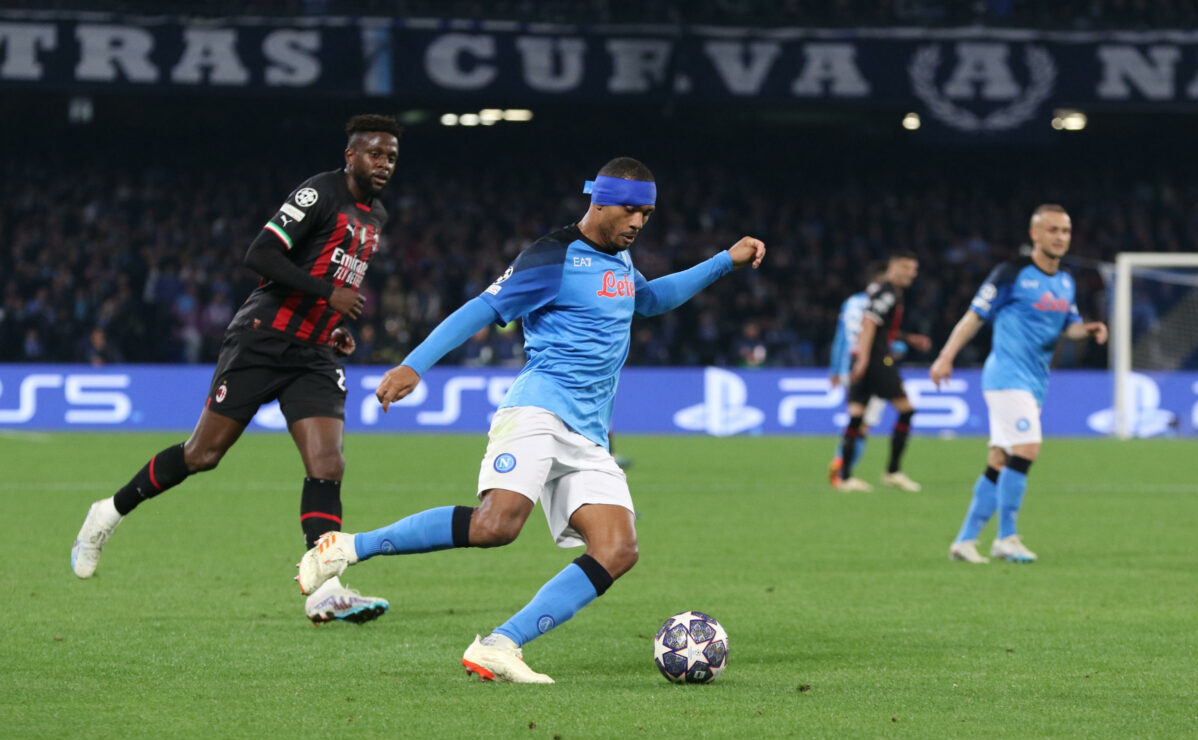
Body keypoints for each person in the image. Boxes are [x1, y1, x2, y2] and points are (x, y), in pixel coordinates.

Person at [295, 157, 765, 683]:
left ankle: (500, 644)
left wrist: (724, 261)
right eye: (630, 211)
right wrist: (414, 365)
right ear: (600, 202)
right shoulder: (552, 256)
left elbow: (650, 300)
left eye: (647, 215)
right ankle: (346, 547)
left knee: (618, 549)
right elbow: (481, 309)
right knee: (495, 526)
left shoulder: (620, 259)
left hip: (588, 434)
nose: (638, 223)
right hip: (539, 411)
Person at [71, 114, 402, 624]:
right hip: (263, 339)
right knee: (203, 454)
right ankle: (106, 513)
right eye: (375, 154)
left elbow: (331, 273)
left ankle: (326, 588)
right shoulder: (319, 193)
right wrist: (327, 294)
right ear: (350, 155)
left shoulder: (376, 215)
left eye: (391, 157)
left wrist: (332, 322)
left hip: (314, 353)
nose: (384, 164)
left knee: (327, 464)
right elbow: (261, 254)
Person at [930, 204, 1107, 564]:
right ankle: (1006, 538)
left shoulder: (1065, 281)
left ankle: (964, 541)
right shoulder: (1011, 273)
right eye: (1053, 230)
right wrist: (945, 356)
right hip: (1006, 377)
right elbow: (974, 316)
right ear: (1034, 234)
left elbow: (1068, 327)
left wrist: (1087, 329)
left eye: (1065, 231)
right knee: (1027, 448)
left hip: (1035, 380)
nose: (1060, 237)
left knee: (1000, 458)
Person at [835, 251, 931, 492]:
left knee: (856, 416)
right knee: (906, 410)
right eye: (907, 268)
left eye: (914, 269)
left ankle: (845, 478)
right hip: (876, 360)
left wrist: (908, 338)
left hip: (861, 357)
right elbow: (869, 323)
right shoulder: (888, 292)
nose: (912, 274)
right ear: (893, 267)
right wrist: (865, 359)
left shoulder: (879, 290)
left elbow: (880, 327)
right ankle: (892, 472)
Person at [826, 265, 909, 486]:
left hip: (848, 365)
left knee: (857, 418)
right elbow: (878, 337)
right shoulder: (882, 302)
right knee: (863, 424)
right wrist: (900, 347)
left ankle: (843, 470)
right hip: (871, 365)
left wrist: (835, 369)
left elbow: (841, 338)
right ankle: (841, 469)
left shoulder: (850, 302)